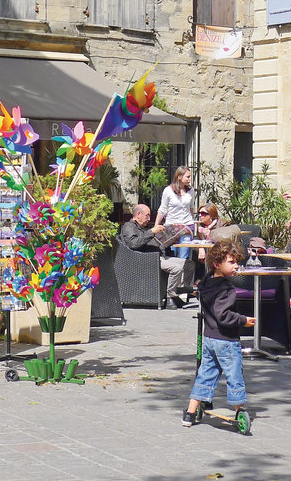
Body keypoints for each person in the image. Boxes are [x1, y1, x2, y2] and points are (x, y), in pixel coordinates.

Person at [182, 241, 255, 427]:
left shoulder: (206, 282)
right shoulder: (227, 289)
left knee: (206, 374)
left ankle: (190, 413)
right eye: (231, 262)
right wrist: (243, 320)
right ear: (217, 264)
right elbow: (224, 315)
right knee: (234, 375)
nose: (236, 266)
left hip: (209, 338)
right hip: (226, 341)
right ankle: (240, 410)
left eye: (237, 262)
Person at [119, 204, 192, 308]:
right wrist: (152, 232)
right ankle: (170, 297)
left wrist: (169, 238)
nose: (149, 219)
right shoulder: (129, 227)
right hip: (147, 259)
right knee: (177, 267)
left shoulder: (143, 227)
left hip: (157, 256)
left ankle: (179, 292)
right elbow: (134, 244)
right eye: (147, 216)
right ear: (138, 214)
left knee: (188, 264)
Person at [155, 166, 196, 259]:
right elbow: (162, 209)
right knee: (172, 256)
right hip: (172, 228)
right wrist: (156, 226)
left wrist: (192, 221)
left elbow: (191, 207)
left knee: (183, 257)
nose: (190, 179)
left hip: (186, 227)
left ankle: (183, 273)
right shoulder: (168, 191)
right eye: (188, 177)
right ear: (179, 177)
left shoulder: (191, 190)